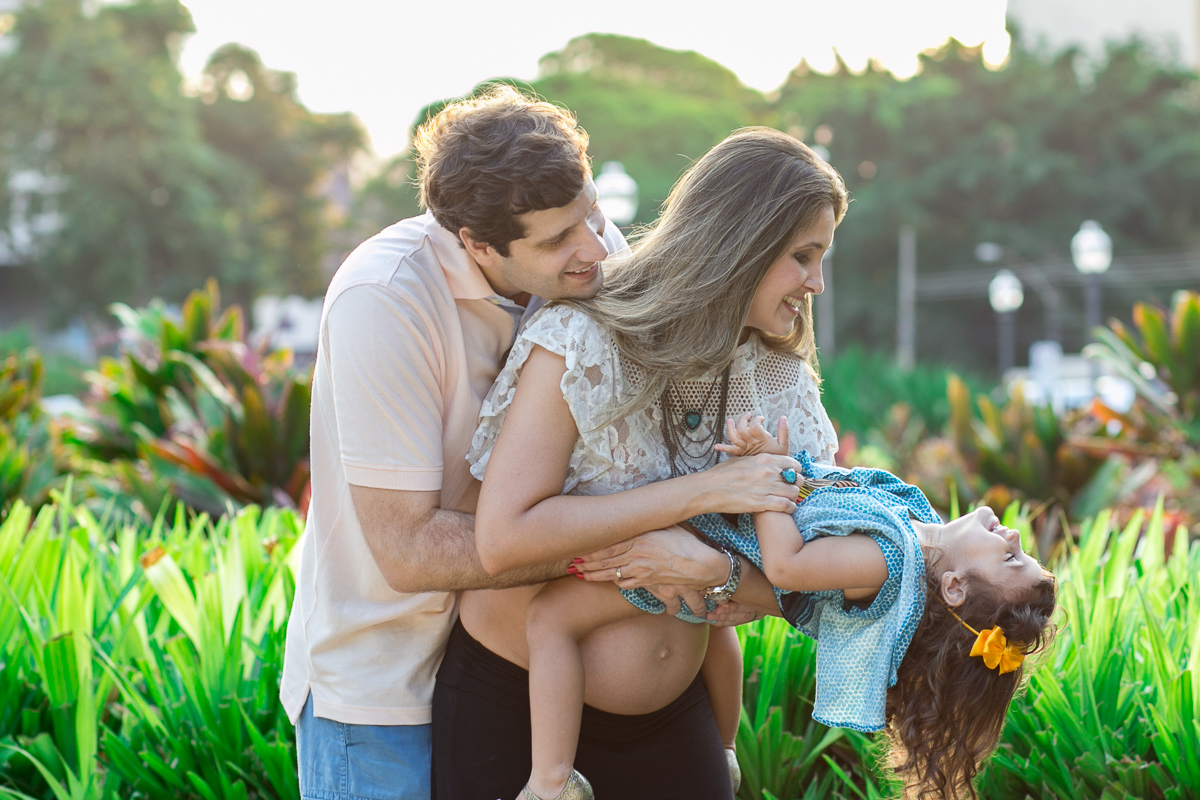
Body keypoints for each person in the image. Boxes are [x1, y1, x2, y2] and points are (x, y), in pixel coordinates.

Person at [278, 86, 748, 800]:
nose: (595, 248)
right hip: (384, 691)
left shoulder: (592, 258)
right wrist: (646, 547)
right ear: (476, 243)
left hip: (516, 663)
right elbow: (407, 551)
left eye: (592, 213)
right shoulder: (383, 301)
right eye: (558, 238)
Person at [435, 128, 845, 800]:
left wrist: (719, 573)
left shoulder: (780, 381)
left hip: (676, 725)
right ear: (743, 240)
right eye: (803, 256)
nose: (816, 283)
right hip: (515, 707)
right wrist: (698, 495)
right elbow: (504, 539)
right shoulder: (582, 336)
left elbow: (820, 585)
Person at [526, 411, 1058, 800]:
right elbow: (823, 501)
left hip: (701, 544)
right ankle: (725, 754)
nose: (1012, 535)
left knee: (550, 617)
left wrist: (767, 475)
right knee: (717, 634)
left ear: (957, 589)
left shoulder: (892, 558)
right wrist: (789, 472)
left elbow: (787, 565)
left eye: (1011, 559)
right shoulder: (910, 522)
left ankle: (551, 781)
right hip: (717, 559)